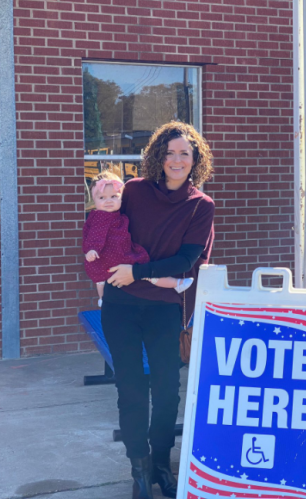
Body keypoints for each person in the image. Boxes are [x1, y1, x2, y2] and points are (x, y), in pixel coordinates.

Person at [101, 121, 215, 499]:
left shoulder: (200, 206)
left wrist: (139, 272)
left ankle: (163, 465)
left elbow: (187, 259)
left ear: (195, 158)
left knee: (167, 391)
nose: (177, 159)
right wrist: (103, 273)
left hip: (165, 310)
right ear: (158, 157)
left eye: (185, 152)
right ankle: (139, 467)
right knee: (131, 389)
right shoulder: (133, 191)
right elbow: (104, 231)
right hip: (120, 307)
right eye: (169, 152)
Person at [83, 170, 194, 307]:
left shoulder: (116, 214)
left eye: (113, 196)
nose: (108, 201)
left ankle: (103, 300)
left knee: (103, 279)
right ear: (94, 200)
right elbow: (95, 234)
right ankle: (176, 283)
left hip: (116, 254)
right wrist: (92, 249)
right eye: (102, 198)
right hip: (113, 255)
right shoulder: (100, 217)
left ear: (121, 198)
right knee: (144, 270)